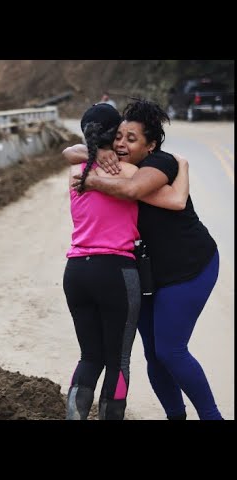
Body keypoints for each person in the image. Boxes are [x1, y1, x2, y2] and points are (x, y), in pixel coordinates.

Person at [64, 99, 223, 420]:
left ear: (150, 145)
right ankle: (175, 415)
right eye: (119, 137)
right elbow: (70, 152)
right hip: (150, 272)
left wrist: (92, 179)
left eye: (131, 139)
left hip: (190, 266)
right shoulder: (116, 161)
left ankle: (212, 416)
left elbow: (142, 191)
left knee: (170, 350)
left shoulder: (160, 164)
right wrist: (98, 152)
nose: (122, 144)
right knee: (153, 354)